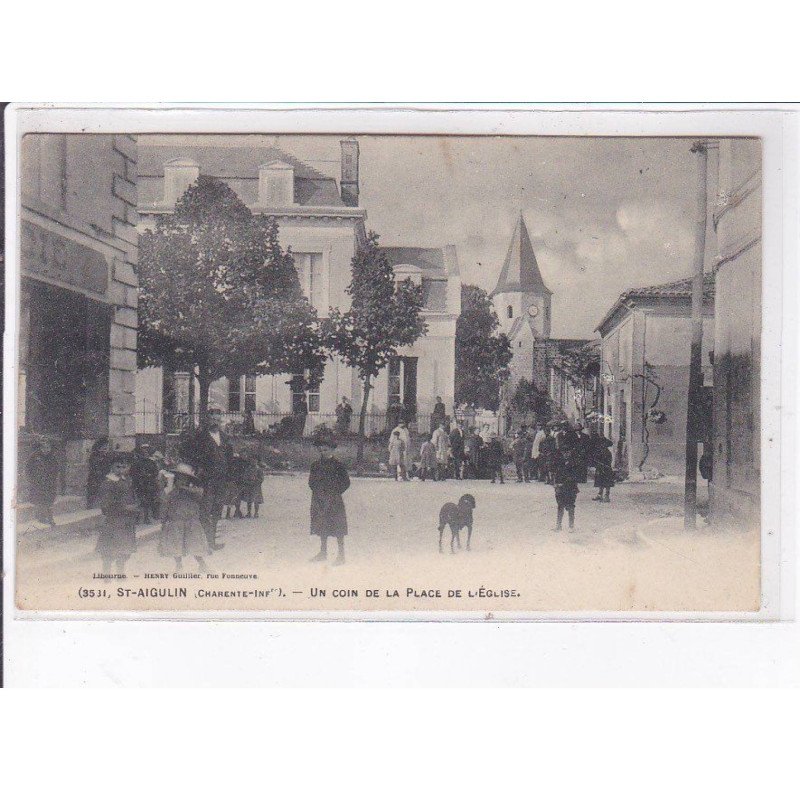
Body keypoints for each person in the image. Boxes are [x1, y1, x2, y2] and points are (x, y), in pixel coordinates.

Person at [179, 408, 231, 551]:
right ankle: (203, 543)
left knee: (217, 511)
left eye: (218, 420)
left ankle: (212, 541)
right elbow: (187, 453)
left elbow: (229, 458)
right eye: (213, 419)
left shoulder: (225, 437)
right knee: (205, 512)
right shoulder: (199, 437)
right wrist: (197, 469)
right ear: (207, 420)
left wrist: (229, 477)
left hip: (221, 480)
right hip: (206, 481)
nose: (216, 422)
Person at [308, 430, 350, 565]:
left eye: (325, 450)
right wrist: (319, 494)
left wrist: (335, 493)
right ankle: (323, 552)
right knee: (322, 526)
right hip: (319, 499)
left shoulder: (338, 465)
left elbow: (346, 482)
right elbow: (311, 482)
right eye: (320, 450)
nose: (323, 452)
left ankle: (341, 555)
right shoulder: (315, 465)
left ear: (331, 450)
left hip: (334, 500)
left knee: (338, 527)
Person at [159, 462, 209, 573]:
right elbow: (164, 501)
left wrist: (183, 488)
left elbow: (199, 494)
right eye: (179, 478)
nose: (182, 480)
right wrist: (164, 519)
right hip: (176, 520)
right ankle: (179, 565)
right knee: (176, 545)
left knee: (196, 544)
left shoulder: (194, 490)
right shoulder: (172, 490)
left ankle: (202, 564)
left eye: (185, 478)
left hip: (191, 521)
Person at [96, 452, 139, 575]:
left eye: (123, 467)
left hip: (126, 521)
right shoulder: (108, 483)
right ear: (111, 467)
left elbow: (132, 497)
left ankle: (120, 572)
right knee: (109, 550)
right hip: (114, 520)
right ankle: (106, 574)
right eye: (117, 467)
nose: (120, 470)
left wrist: (135, 507)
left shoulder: (127, 481)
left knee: (124, 551)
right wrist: (125, 508)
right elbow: (106, 504)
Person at [26, 438, 59, 526]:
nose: (46, 450)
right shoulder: (34, 457)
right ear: (40, 448)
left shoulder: (52, 457)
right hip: (38, 483)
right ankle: (42, 517)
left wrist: (53, 481)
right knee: (40, 501)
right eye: (44, 447)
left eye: (48, 447)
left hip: (49, 483)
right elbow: (28, 469)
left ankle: (49, 518)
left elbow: (55, 470)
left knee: (49, 501)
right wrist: (32, 481)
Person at [551, 440, 581, 531]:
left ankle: (571, 526)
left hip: (570, 488)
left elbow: (575, 476)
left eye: (567, 452)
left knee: (570, 506)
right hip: (560, 488)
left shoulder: (575, 462)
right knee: (560, 506)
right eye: (564, 452)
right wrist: (555, 484)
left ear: (571, 452)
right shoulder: (559, 462)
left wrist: (564, 482)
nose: (565, 454)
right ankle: (558, 525)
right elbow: (556, 474)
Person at [131, 446, 161, 524]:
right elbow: (133, 473)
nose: (145, 454)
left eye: (146, 452)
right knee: (142, 502)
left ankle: (143, 518)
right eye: (144, 452)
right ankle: (141, 519)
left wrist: (148, 476)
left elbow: (155, 473)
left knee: (144, 502)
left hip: (145, 485)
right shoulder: (138, 463)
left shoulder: (150, 462)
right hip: (142, 485)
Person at [589, 429, 615, 502]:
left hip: (605, 463)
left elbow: (610, 443)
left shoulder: (604, 447)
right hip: (600, 463)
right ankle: (600, 495)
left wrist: (603, 439)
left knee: (607, 479)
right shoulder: (595, 446)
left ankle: (607, 496)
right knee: (600, 479)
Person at [86, 437, 110, 509]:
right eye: (103, 448)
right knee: (93, 491)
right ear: (99, 448)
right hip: (95, 477)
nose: (105, 450)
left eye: (106, 448)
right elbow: (93, 467)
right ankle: (90, 505)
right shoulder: (94, 456)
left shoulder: (106, 457)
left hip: (103, 476)